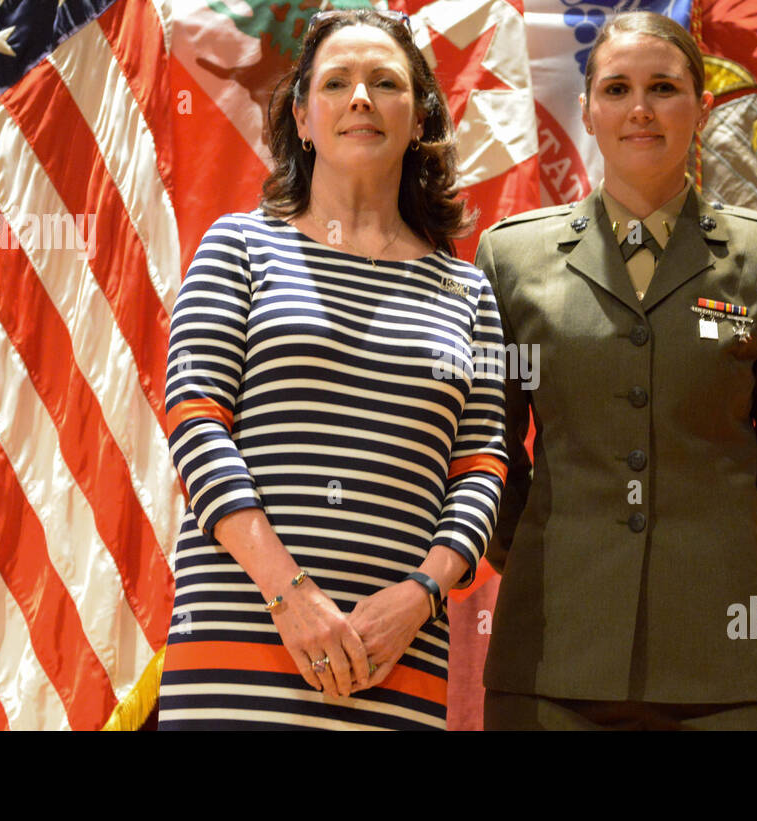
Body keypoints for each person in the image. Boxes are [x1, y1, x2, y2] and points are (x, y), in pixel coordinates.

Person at [476, 11, 757, 730]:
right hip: (555, 651)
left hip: (729, 659)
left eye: (664, 87)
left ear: (702, 107)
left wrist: (720, 555)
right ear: (587, 110)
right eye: (617, 89)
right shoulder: (511, 258)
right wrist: (558, 550)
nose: (640, 109)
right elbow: (486, 449)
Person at [157, 8, 508, 730]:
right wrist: (292, 595)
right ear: (303, 117)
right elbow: (195, 424)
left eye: (386, 83)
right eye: (337, 82)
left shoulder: (469, 290)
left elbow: (482, 468)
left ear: (419, 121)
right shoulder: (239, 247)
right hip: (240, 646)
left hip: (399, 655)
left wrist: (419, 594)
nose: (360, 98)